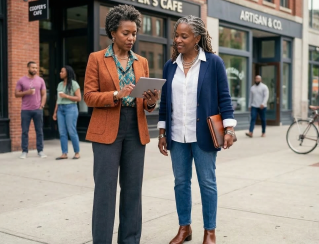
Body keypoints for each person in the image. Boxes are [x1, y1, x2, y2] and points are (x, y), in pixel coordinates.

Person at [83, 5, 160, 244]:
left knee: (132, 190)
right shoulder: (97, 58)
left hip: (135, 128)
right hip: (106, 127)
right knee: (105, 191)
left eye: (134, 33)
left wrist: (150, 102)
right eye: (126, 33)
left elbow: (147, 105)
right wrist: (116, 94)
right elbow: (89, 96)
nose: (131, 38)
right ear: (113, 32)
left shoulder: (142, 61)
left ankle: (129, 240)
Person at [158, 15, 236, 244]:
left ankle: (209, 231)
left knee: (207, 183)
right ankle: (185, 228)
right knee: (181, 183)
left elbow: (224, 98)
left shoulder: (213, 63)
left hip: (203, 134)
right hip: (177, 135)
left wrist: (229, 129)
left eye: (184, 36)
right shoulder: (169, 66)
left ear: (197, 38)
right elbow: (165, 104)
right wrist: (162, 133)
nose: (178, 40)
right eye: (176, 35)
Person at [15, 61, 47, 159]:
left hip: (37, 109)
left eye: (36, 68)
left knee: (39, 131)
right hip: (25, 110)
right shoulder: (21, 80)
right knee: (25, 131)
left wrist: (42, 105)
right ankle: (24, 151)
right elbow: (16, 94)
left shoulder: (40, 80)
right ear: (28, 68)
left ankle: (40, 151)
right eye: (33, 68)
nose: (35, 70)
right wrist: (27, 92)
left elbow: (44, 94)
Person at [52, 65, 81, 160]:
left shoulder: (74, 84)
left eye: (62, 71)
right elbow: (58, 100)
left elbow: (79, 98)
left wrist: (66, 96)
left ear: (67, 73)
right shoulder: (60, 84)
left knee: (72, 131)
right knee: (62, 132)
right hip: (60, 109)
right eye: (60, 71)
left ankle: (77, 152)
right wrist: (55, 112)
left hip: (71, 108)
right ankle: (64, 153)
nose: (60, 73)